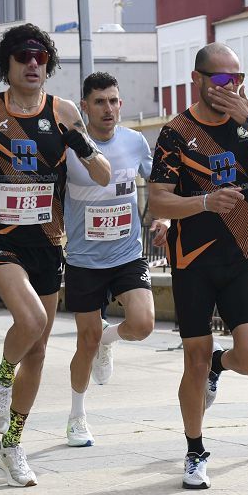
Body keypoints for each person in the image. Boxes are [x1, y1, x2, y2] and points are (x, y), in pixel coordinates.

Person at [0, 23, 110, 487]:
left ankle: (11, 445)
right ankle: (0, 377)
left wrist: (80, 142)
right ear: (8, 64)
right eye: (24, 57)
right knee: (33, 321)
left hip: (48, 241)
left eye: (41, 57)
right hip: (1, 238)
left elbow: (101, 173)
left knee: (37, 352)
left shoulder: (65, 111)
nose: (33, 64)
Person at [149, 41, 248, 490]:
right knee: (191, 360)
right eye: (221, 80)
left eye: (235, 79)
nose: (230, 87)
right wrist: (206, 202)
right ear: (198, 80)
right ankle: (195, 450)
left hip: (241, 258)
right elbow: (157, 199)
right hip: (192, 262)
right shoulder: (175, 132)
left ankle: (220, 364)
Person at [62, 71, 166, 447]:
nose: (109, 109)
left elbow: (160, 188)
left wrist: (165, 217)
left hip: (127, 254)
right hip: (84, 260)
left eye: (114, 101)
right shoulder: (72, 147)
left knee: (143, 323)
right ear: (85, 106)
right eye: (100, 102)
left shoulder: (135, 142)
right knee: (83, 343)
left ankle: (109, 339)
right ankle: (77, 415)